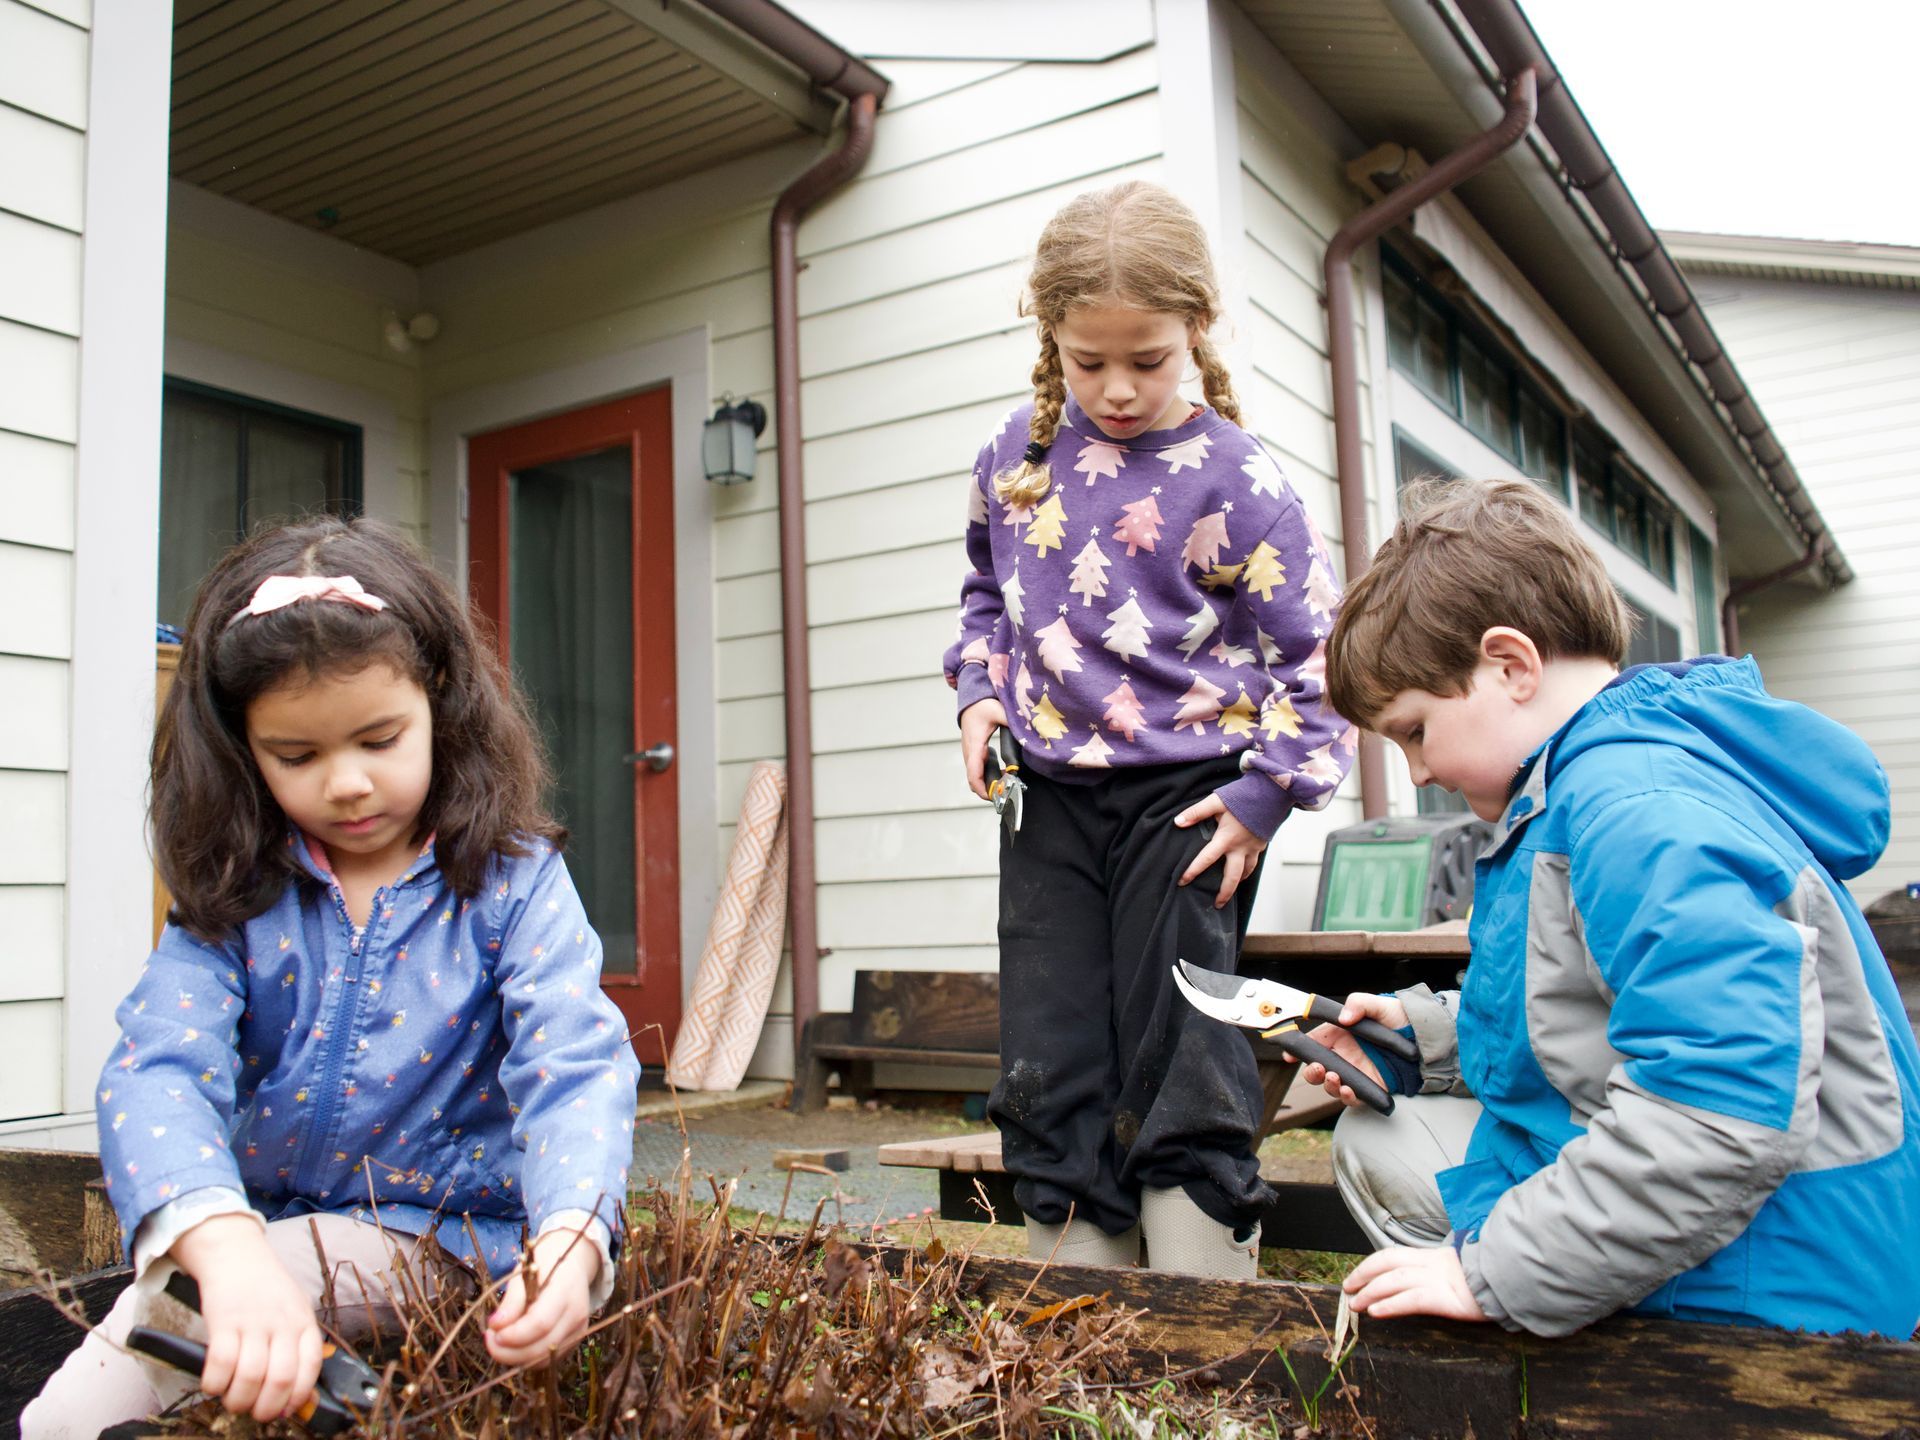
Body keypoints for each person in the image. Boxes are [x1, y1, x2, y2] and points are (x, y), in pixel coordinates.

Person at [23, 517, 641, 1435]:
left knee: (275, 1272)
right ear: (243, 748)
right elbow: (157, 1070)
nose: (346, 784)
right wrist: (226, 1247)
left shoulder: (513, 881)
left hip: (455, 1240)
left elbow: (576, 1065)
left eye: (379, 738)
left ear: (440, 699)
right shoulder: (240, 895)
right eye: (297, 756)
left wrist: (571, 1239)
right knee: (98, 1390)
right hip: (256, 1242)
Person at [1300, 476, 1920, 1337]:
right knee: (1387, 1138)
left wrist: (1491, 1275)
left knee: (1402, 1172)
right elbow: (1598, 1003)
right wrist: (1420, 1037)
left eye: (1414, 730)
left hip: (1776, 1283)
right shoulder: (1592, 781)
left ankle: (1582, 1363)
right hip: (1765, 1237)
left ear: (1510, 665)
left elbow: (1723, 1103)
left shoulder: (1633, 810)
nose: (1418, 772)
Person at [941, 181, 1356, 1278]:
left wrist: (1269, 795)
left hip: (1195, 799)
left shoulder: (1243, 481)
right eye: (1090, 362)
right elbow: (987, 600)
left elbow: (1317, 664)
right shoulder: (1011, 465)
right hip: (1047, 800)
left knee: (1183, 1042)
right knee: (1054, 1043)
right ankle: (1081, 1323)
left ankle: (1203, 1314)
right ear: (1052, 340)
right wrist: (979, 697)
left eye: (1149, 360)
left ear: (1198, 335)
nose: (1118, 390)